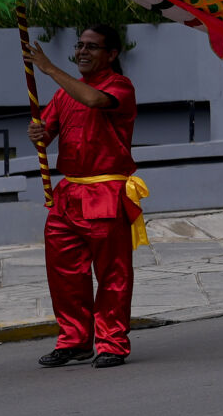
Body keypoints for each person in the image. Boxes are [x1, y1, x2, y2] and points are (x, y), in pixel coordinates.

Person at [28, 25, 146, 369]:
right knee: (64, 273)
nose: (82, 51)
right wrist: (38, 132)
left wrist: (49, 69)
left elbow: (93, 100)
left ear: (111, 54)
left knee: (112, 273)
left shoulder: (119, 86)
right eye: (79, 45)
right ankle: (75, 340)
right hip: (68, 194)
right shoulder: (65, 94)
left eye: (91, 47)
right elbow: (46, 134)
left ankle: (111, 342)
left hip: (106, 191)